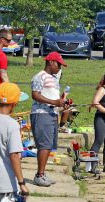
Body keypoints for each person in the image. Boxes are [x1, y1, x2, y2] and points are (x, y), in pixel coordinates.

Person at [30, 52, 67, 187]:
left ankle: (43, 173)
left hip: (52, 114)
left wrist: (61, 101)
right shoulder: (40, 77)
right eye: (59, 64)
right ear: (51, 62)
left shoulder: (53, 78)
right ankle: (39, 175)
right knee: (44, 145)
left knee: (49, 145)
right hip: (41, 114)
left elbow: (53, 97)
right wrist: (54, 102)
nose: (60, 68)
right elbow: (35, 95)